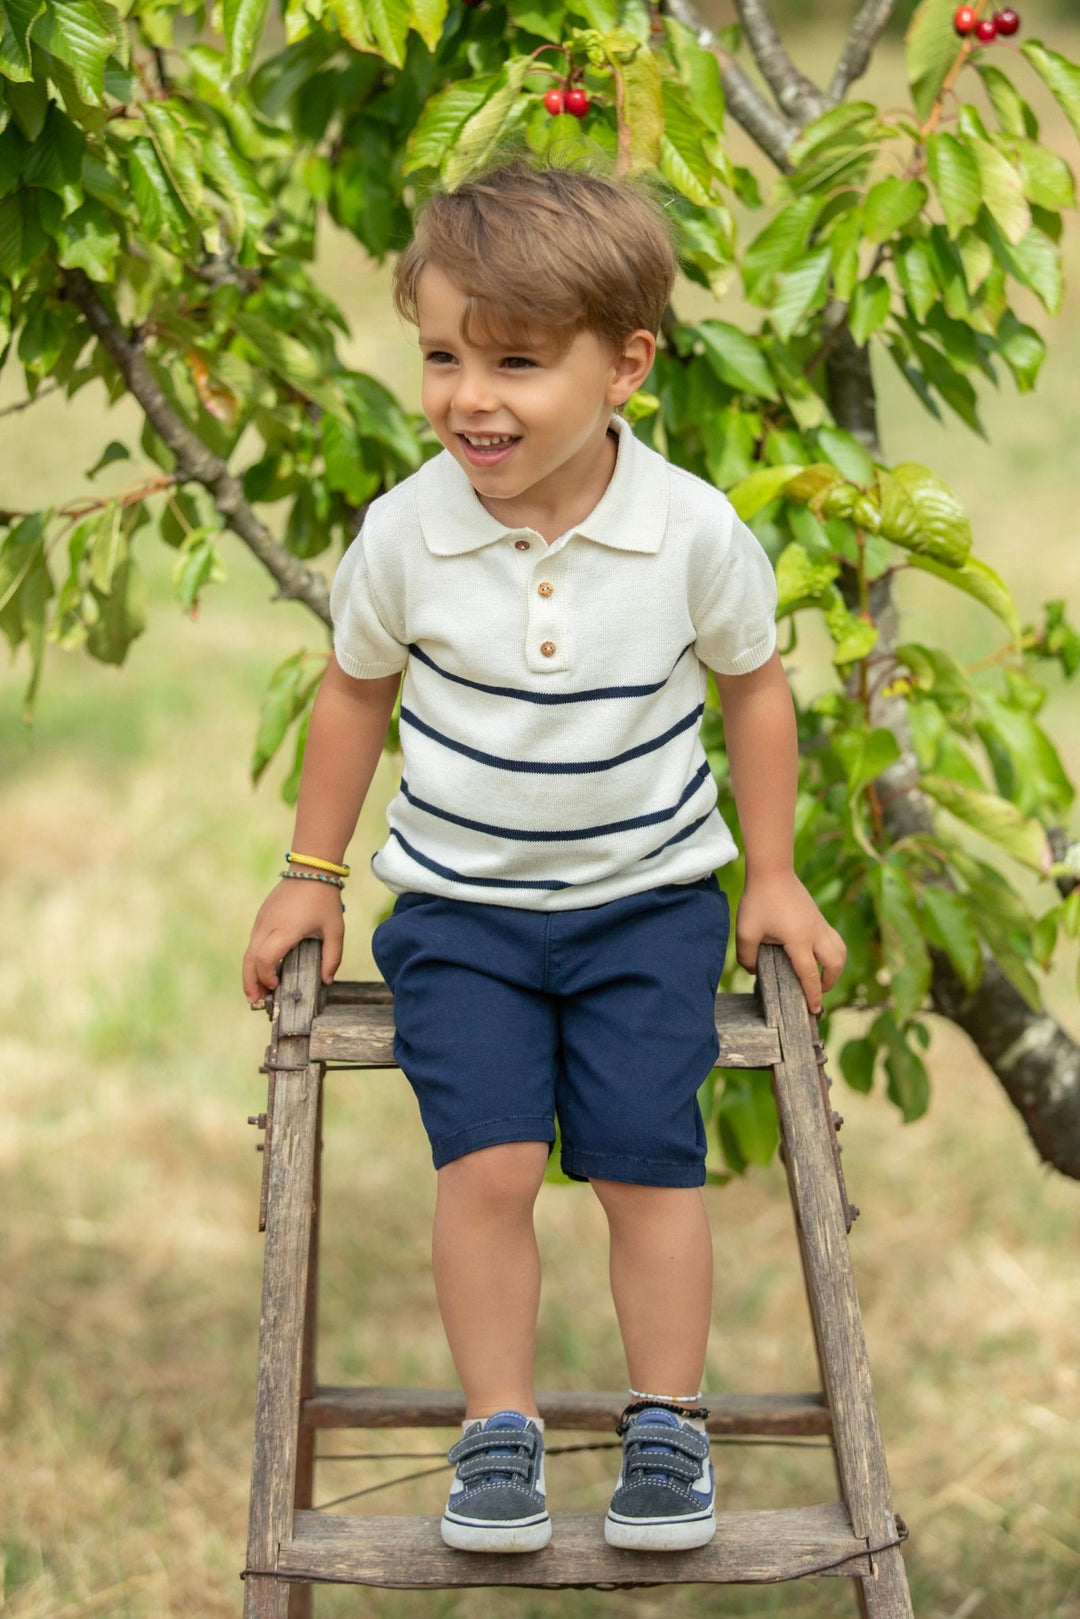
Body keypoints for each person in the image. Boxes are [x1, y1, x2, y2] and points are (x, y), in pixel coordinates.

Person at [242, 158, 845, 1556]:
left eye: (517, 361)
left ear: (626, 363)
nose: (470, 397)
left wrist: (772, 872)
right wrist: (312, 873)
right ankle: (500, 1431)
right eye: (444, 356)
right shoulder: (408, 533)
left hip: (648, 907)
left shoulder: (691, 531)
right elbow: (354, 690)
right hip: (462, 913)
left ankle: (665, 1425)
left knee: (647, 1159)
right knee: (491, 1168)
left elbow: (754, 688)